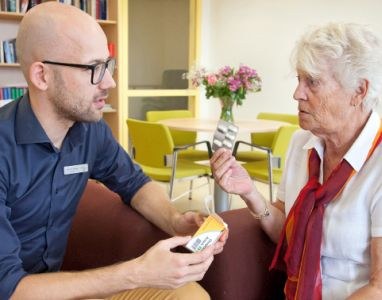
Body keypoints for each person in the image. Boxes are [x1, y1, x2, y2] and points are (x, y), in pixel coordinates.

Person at [0, 2, 227, 299]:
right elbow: (10, 288)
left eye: (108, 65)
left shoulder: (88, 131)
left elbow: (134, 184)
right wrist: (137, 272)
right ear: (42, 76)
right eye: (94, 68)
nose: (110, 81)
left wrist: (175, 221)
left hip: (56, 288)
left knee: (189, 295)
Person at [211, 22, 382, 299]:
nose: (297, 93)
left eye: (312, 82)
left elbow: (379, 287)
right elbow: (290, 238)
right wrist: (250, 193)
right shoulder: (302, 144)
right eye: (299, 80)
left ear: (359, 91)